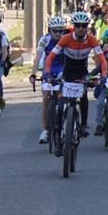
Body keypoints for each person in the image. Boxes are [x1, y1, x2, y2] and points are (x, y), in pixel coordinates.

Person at [44, 11, 108, 138]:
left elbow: (102, 60)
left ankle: (83, 124)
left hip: (82, 71)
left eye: (83, 25)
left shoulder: (92, 40)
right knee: (61, 102)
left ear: (87, 27)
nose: (80, 28)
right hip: (68, 70)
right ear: (73, 26)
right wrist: (47, 73)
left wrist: (104, 75)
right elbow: (50, 58)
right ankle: (57, 133)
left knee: (84, 96)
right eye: (77, 25)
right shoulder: (65, 39)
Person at [29, 16, 69, 144]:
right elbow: (38, 57)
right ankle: (45, 130)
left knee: (63, 96)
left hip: (63, 67)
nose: (58, 33)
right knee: (46, 98)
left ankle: (65, 122)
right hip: (49, 67)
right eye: (54, 31)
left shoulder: (68, 40)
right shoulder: (44, 40)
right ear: (49, 30)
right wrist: (33, 73)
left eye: (60, 31)